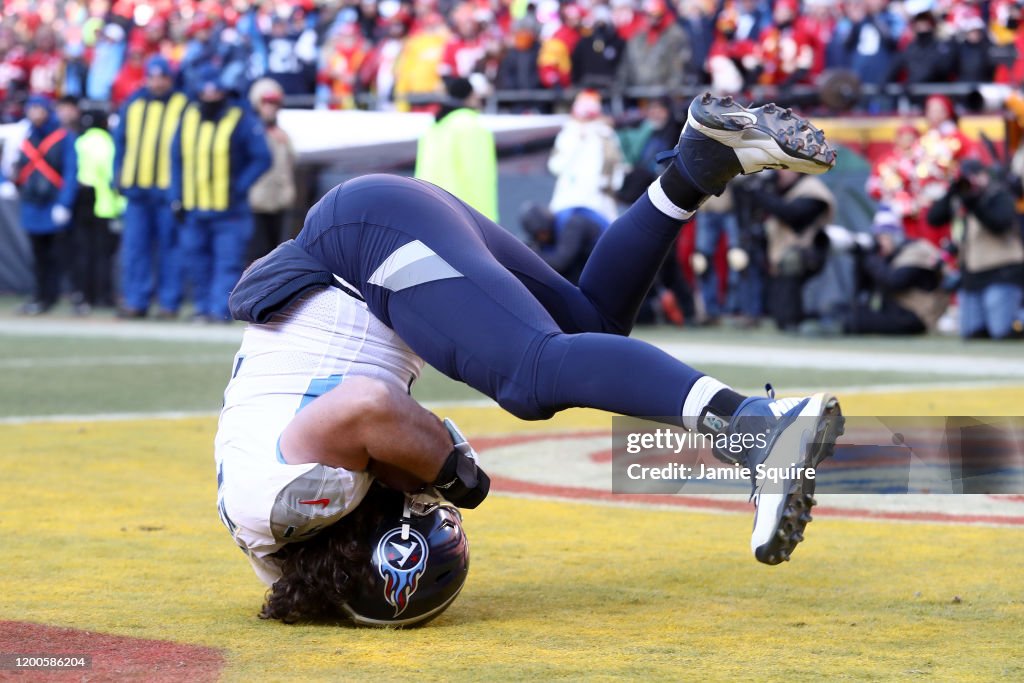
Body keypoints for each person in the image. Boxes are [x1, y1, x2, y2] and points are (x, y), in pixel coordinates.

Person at [216, 94, 843, 625]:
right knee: (588, 331)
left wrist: (453, 473)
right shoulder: (282, 538)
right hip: (373, 234)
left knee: (528, 377)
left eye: (418, 515)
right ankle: (697, 166)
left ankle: (755, 426)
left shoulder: (281, 508)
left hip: (360, 248)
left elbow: (366, 406)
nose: (426, 506)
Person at [170, 68, 271, 323]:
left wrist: (239, 186)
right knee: (196, 260)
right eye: (206, 90)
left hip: (229, 208)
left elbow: (262, 157)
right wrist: (176, 195)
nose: (210, 95)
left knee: (227, 261)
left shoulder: (240, 118)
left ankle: (220, 310)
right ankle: (203, 307)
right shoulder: (189, 116)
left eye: (215, 90)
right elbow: (176, 159)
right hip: (194, 205)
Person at [113, 56, 189, 319]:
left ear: (170, 78)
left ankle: (169, 303)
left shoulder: (183, 104)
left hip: (169, 190)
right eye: (152, 77)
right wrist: (118, 177)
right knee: (135, 248)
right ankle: (136, 300)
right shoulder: (133, 103)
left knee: (170, 248)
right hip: (137, 189)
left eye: (162, 77)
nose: (157, 83)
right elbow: (120, 144)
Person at [928, 159, 1023, 339]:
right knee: (971, 332)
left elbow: (999, 224)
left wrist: (975, 203)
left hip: (1002, 271)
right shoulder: (961, 199)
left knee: (1002, 331)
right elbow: (934, 219)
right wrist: (951, 193)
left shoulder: (999, 194)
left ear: (984, 176)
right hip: (973, 273)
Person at [738, 166, 836, 331]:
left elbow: (792, 214)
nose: (780, 173)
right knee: (778, 312)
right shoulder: (784, 188)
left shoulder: (813, 190)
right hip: (779, 253)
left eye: (785, 168)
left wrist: (760, 194)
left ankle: (799, 319)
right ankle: (756, 312)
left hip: (807, 253)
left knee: (790, 268)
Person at [11, 94, 77, 315]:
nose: (35, 114)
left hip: (52, 202)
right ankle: (40, 295)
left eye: (39, 109)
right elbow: (20, 168)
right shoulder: (28, 137)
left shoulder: (62, 137)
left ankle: (62, 295)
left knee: (58, 253)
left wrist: (64, 203)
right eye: (32, 109)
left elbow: (70, 170)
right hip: (33, 203)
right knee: (37, 253)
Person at [842, 208, 950, 335]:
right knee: (849, 313)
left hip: (917, 316)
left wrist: (870, 259)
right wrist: (860, 259)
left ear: (896, 236)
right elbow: (862, 287)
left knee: (854, 321)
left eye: (883, 237)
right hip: (897, 311)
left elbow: (894, 281)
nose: (879, 243)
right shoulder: (890, 255)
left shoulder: (917, 252)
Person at [414, 76, 498, 221]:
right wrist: (486, 223)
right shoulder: (471, 126)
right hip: (464, 218)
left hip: (429, 210)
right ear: (470, 96)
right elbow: (478, 177)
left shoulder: (434, 127)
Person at [70, 108, 122, 315]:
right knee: (103, 255)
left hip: (81, 200)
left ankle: (83, 294)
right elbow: (111, 175)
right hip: (103, 203)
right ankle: (102, 295)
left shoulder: (80, 141)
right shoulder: (107, 143)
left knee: (83, 253)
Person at [548, 89, 625, 222]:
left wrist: (606, 187)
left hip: (598, 204)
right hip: (566, 201)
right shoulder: (567, 134)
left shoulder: (606, 135)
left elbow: (617, 173)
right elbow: (555, 166)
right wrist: (576, 141)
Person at [246, 78, 297, 264]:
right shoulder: (250, 131)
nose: (270, 107)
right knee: (256, 255)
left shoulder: (282, 134)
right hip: (254, 203)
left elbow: (290, 163)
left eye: (274, 102)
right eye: (265, 102)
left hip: (278, 202)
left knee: (274, 255)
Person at [520, 202, 607, 285]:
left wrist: (529, 255)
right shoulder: (550, 235)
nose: (542, 238)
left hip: (607, 262)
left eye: (542, 232)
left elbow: (561, 262)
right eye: (538, 235)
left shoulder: (572, 222)